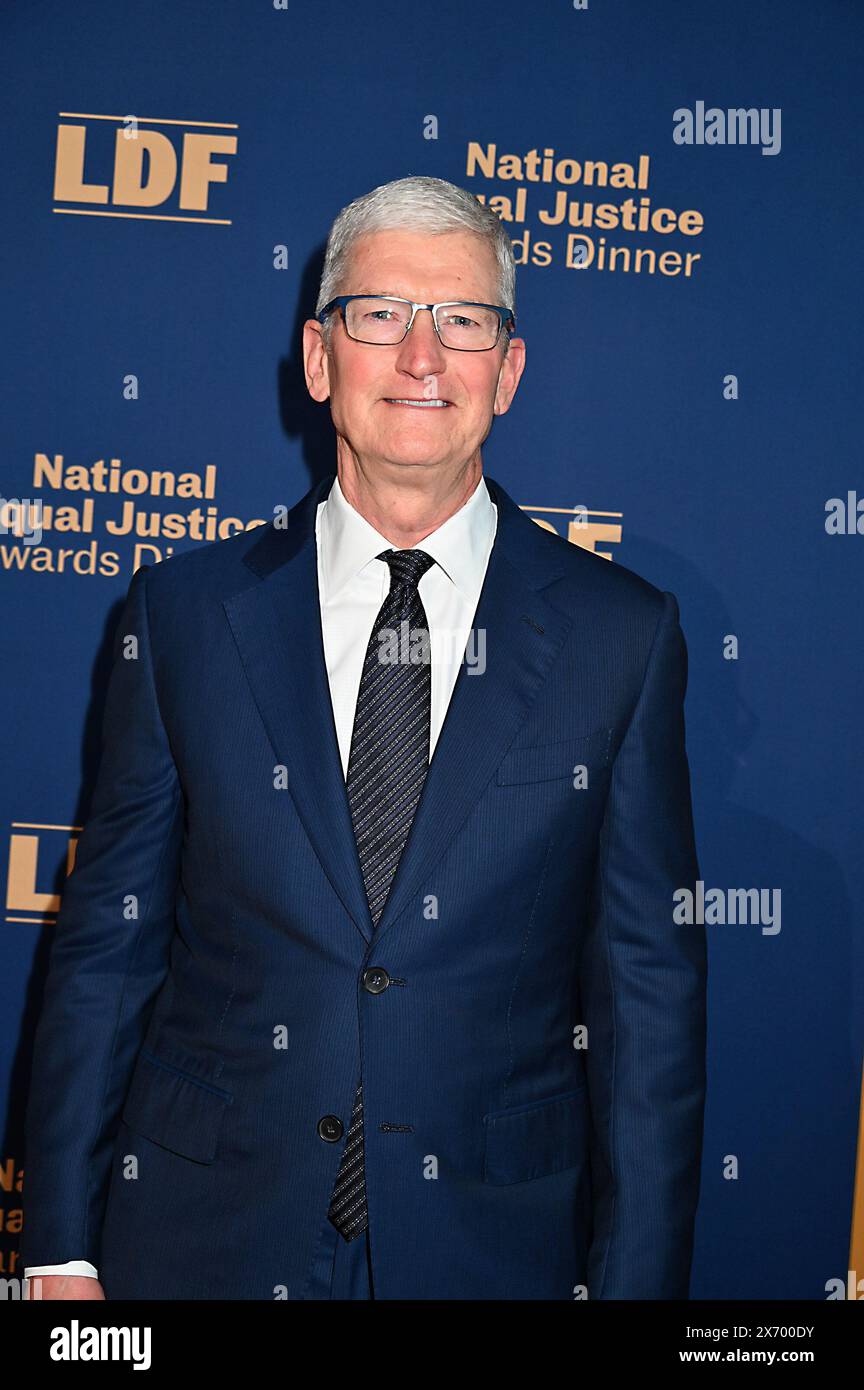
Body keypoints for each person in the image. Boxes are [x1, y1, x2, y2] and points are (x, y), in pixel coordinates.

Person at [22, 174, 707, 1300]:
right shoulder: (183, 617)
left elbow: (648, 1007)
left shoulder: (619, 637)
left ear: (510, 370)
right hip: (201, 1240)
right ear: (318, 356)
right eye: (382, 315)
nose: (423, 358)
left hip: (490, 1247)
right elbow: (108, 951)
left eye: (464, 322)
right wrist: (58, 1250)